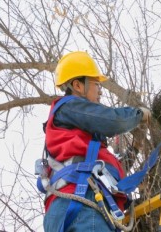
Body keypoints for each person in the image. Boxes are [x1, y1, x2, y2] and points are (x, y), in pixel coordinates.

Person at [42, 51, 151, 232]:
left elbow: (108, 173)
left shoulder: (82, 144)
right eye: (96, 84)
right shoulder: (69, 106)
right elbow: (113, 120)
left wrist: (135, 148)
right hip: (81, 203)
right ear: (77, 85)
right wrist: (139, 114)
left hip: (71, 205)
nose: (100, 91)